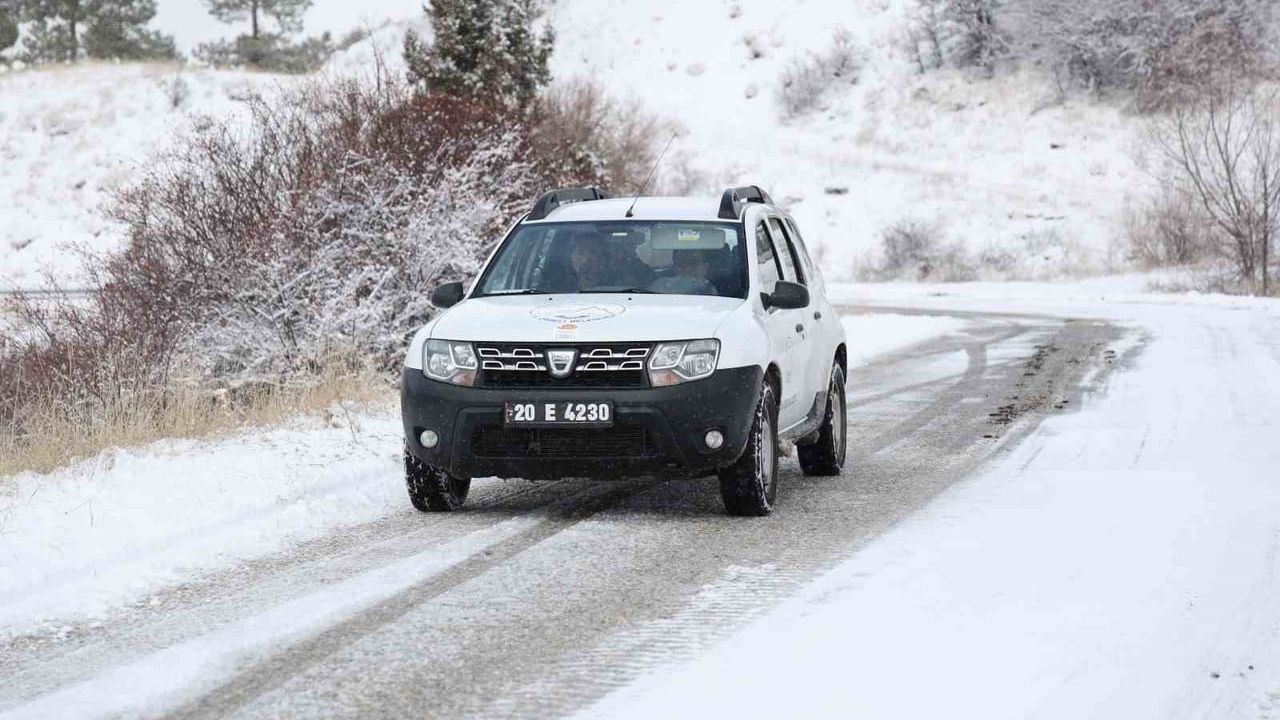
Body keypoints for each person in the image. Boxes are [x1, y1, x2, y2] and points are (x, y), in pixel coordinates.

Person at [649, 249, 718, 295]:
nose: (687, 268)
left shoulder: (710, 290)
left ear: (705, 267)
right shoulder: (660, 286)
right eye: (681, 263)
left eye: (694, 263)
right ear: (674, 267)